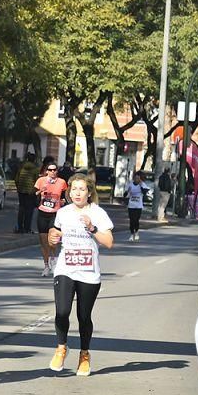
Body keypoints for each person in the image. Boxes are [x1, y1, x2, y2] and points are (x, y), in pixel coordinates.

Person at [46, 173, 114, 377]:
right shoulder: (63, 213)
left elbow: (109, 242)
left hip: (88, 272)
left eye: (81, 189)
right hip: (65, 268)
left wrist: (92, 228)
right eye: (74, 189)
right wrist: (52, 237)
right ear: (69, 192)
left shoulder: (98, 213)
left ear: (89, 192)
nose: (77, 193)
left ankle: (84, 355)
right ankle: (61, 348)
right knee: (62, 312)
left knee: (83, 316)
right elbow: (53, 239)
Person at [34, 161, 68, 276]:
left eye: (55, 170)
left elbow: (65, 196)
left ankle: (53, 262)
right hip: (42, 213)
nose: (53, 172)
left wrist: (63, 202)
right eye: (50, 170)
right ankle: (46, 266)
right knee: (44, 243)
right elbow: (33, 195)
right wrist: (40, 191)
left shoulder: (61, 182)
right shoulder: (41, 181)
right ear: (46, 171)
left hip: (55, 214)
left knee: (52, 241)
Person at [14, 153, 39, 234]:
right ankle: (27, 228)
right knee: (29, 211)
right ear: (34, 160)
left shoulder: (21, 168)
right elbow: (37, 182)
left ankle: (20, 227)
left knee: (21, 209)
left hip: (21, 191)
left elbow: (16, 179)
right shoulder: (35, 169)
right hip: (30, 193)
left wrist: (19, 188)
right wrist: (35, 191)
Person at [125, 172, 148, 242]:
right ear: (133, 178)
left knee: (136, 220)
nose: (136, 180)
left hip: (138, 206)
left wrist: (141, 185)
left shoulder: (143, 184)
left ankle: (137, 232)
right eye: (135, 178)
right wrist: (127, 192)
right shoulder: (130, 184)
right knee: (131, 221)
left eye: (138, 178)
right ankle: (132, 234)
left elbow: (144, 192)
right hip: (131, 206)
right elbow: (125, 195)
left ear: (140, 179)